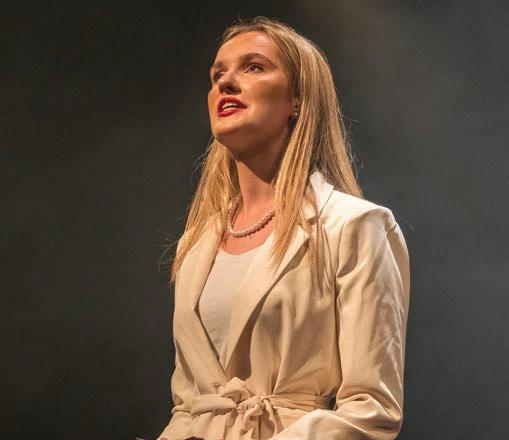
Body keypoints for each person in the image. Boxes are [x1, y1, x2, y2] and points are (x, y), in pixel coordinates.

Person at [157, 16, 410, 440]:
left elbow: (372, 409)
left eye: (253, 67)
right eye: (217, 75)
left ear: (297, 99)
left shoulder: (353, 226)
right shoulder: (196, 244)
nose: (226, 83)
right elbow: (187, 404)